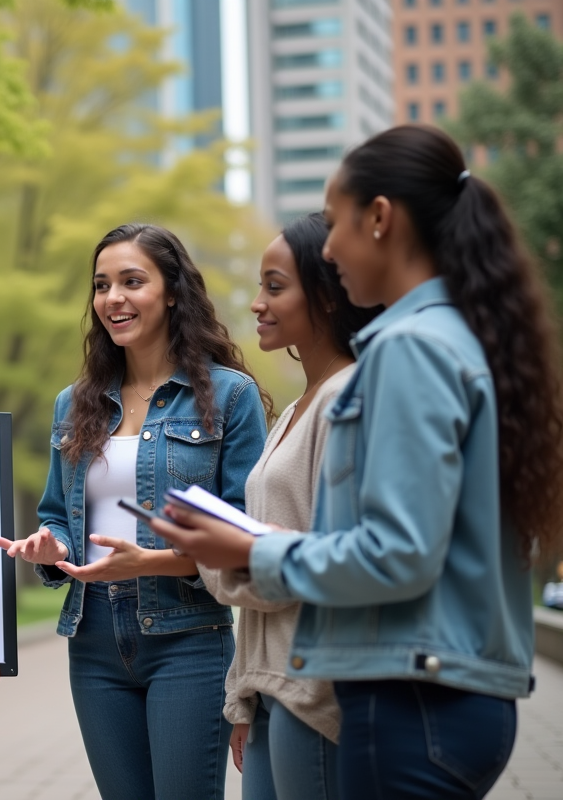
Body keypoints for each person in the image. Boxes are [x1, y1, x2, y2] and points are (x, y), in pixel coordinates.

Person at [156, 125, 563, 800]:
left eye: (338, 220)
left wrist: (252, 551)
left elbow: (398, 553)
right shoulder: (454, 337)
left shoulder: (410, 350)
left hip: (413, 700)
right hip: (445, 695)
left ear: (380, 219)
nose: (332, 246)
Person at [0, 223, 270, 799]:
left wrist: (149, 561)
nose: (112, 298)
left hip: (187, 635)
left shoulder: (231, 397)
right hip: (91, 636)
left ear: (172, 292)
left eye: (131, 281)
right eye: (101, 285)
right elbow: (57, 514)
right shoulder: (74, 404)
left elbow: (246, 537)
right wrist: (54, 546)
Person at [203, 213, 380, 800]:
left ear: (327, 297)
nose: (256, 303)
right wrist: (244, 694)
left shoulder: (346, 399)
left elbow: (328, 560)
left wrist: (216, 552)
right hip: (273, 688)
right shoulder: (295, 409)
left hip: (316, 692)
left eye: (275, 287)